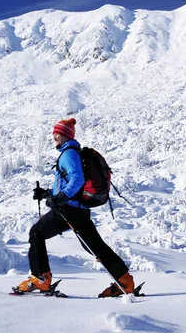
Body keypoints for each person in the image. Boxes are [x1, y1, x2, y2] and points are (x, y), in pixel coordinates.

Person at [15, 117, 135, 297]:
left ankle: (40, 279)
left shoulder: (69, 154)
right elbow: (69, 183)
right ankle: (125, 281)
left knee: (36, 233)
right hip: (78, 209)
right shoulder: (73, 152)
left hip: (67, 209)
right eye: (54, 133)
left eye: (58, 133)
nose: (54, 136)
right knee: (95, 246)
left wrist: (60, 198)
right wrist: (47, 193)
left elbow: (77, 179)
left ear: (65, 135)